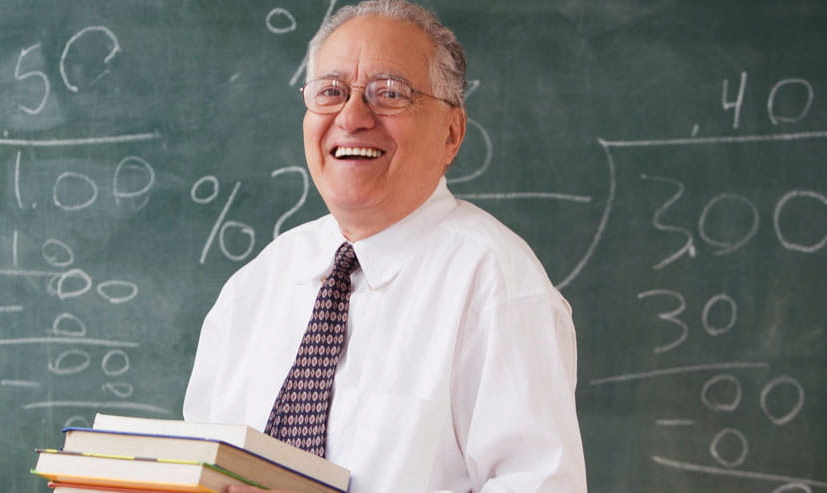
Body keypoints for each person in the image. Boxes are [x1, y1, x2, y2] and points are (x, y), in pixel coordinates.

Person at [182, 1, 587, 491]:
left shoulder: (497, 286)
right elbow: (200, 468)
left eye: (390, 93)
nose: (352, 117)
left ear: (452, 133)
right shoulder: (255, 287)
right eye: (330, 92)